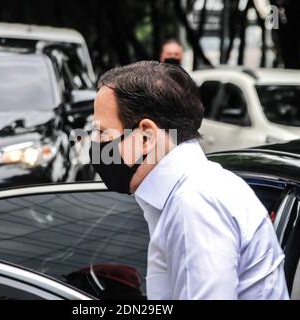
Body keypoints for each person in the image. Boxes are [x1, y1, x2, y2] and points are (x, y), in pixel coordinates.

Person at [89, 61, 289, 300]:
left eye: (102, 133)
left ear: (145, 137)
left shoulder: (194, 204)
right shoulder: (189, 191)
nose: (94, 143)